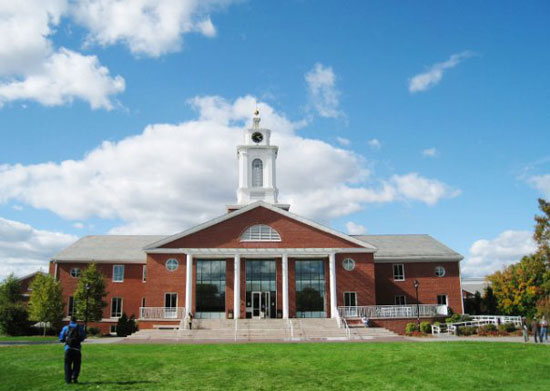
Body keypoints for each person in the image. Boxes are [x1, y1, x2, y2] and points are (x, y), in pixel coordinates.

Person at [59, 316, 86, 384]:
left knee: (67, 364)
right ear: (76, 320)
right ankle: (74, 376)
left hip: (68, 348)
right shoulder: (80, 328)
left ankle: (68, 380)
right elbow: (83, 337)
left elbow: (61, 338)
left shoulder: (66, 328)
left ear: (70, 320)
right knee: (77, 364)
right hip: (77, 349)